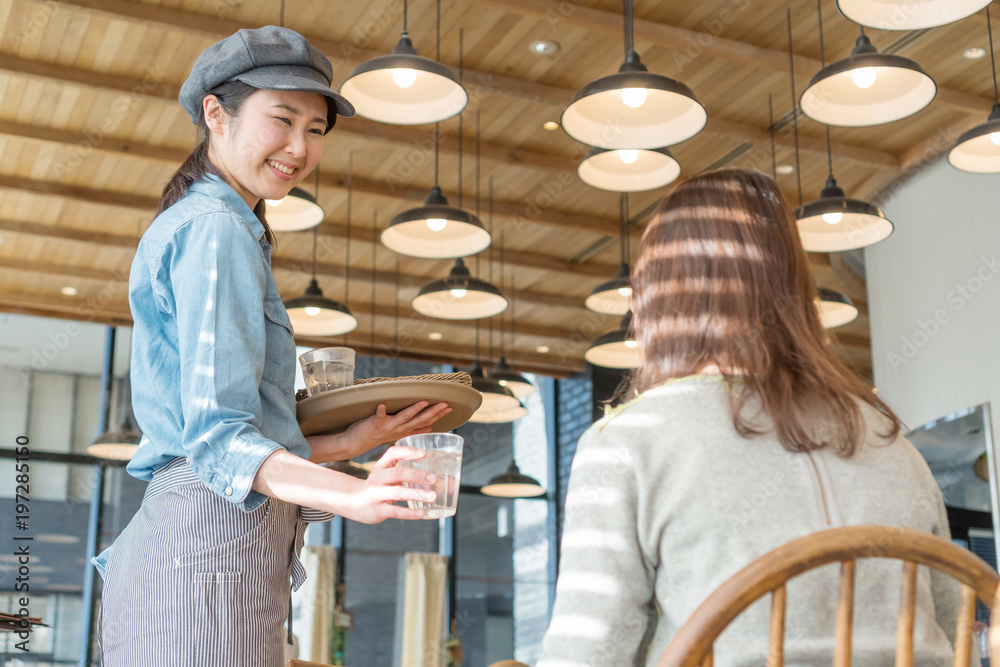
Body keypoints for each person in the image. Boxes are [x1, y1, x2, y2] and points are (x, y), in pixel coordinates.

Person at [92, 26, 451, 666]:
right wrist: (353, 494)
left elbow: (223, 437)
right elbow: (215, 439)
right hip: (205, 546)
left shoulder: (221, 223)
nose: (299, 147)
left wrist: (345, 446)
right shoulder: (218, 229)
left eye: (316, 129)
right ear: (215, 113)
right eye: (282, 119)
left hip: (205, 541)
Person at [538, 168, 961, 666]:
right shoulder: (891, 442)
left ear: (656, 296)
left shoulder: (628, 443)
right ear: (792, 284)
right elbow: (955, 626)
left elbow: (589, 651)